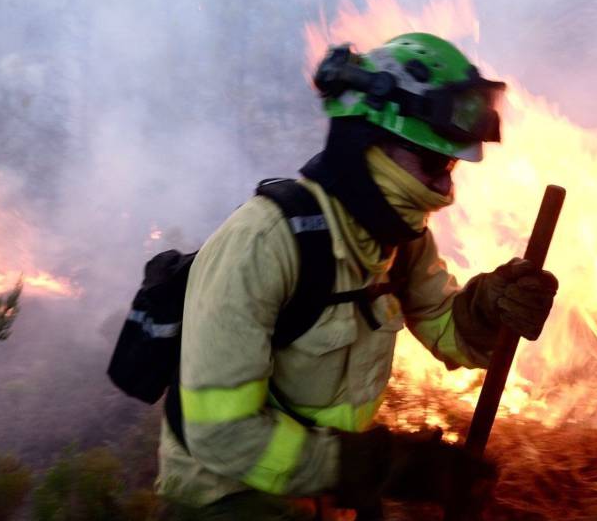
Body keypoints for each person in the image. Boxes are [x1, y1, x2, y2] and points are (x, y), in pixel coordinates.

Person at [156, 33, 559, 519]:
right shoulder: (262, 244)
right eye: (433, 162)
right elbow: (224, 435)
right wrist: (389, 467)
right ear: (368, 141)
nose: (445, 187)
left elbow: (447, 329)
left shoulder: (398, 238)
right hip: (227, 500)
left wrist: (487, 309)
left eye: (451, 165)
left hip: (319, 496)